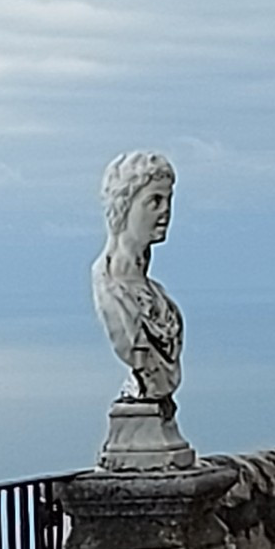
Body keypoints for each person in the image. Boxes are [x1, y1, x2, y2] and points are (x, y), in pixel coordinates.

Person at [92, 150, 183, 401]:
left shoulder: (158, 297)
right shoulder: (110, 286)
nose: (165, 211)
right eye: (154, 201)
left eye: (168, 201)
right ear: (125, 205)